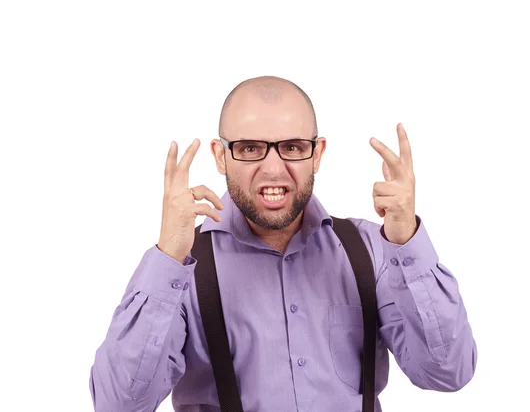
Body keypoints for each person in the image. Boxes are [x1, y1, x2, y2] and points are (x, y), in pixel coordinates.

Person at [89, 75, 477, 412]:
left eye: (291, 147)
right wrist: (168, 257)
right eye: (250, 148)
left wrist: (407, 241)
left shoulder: (371, 250)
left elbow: (447, 373)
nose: (273, 169)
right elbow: (120, 403)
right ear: (221, 157)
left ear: (317, 153)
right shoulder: (183, 269)